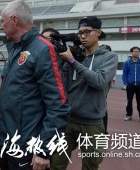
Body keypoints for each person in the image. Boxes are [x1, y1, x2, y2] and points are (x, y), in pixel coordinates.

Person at [0, 0, 70, 170]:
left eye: (2, 21)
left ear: (14, 20)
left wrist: (43, 150)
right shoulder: (15, 48)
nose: (0, 27)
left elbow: (58, 105)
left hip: (28, 147)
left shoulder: (43, 49)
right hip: (9, 142)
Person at [51, 16, 118, 169]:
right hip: (68, 121)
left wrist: (72, 62)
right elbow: (63, 84)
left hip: (92, 124)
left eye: (87, 32)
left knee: (90, 166)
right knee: (55, 163)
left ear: (98, 32)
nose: (82, 36)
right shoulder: (74, 56)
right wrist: (64, 61)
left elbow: (99, 81)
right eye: (80, 32)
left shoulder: (109, 57)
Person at [122, 46, 140, 122]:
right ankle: (129, 115)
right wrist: (126, 83)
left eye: (138, 51)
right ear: (131, 52)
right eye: (135, 51)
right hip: (130, 86)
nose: (136, 53)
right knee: (129, 101)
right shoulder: (127, 63)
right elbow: (124, 74)